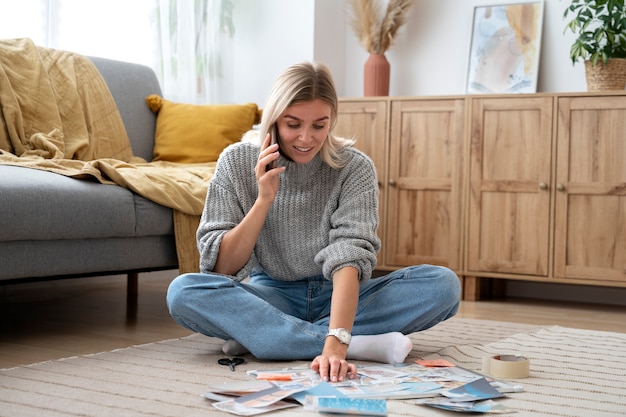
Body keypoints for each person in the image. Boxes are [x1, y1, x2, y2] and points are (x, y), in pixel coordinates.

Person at [166, 61, 461, 383]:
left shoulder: (354, 167)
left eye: (319, 126)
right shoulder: (236, 161)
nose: (306, 138)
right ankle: (360, 344)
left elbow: (349, 255)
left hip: (343, 294)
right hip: (272, 295)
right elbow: (222, 267)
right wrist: (264, 199)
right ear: (274, 119)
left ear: (332, 121)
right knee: (184, 292)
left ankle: (267, 336)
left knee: (442, 285)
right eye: (293, 124)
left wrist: (336, 340)